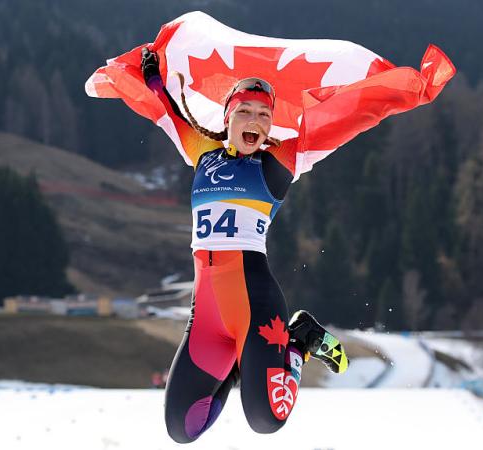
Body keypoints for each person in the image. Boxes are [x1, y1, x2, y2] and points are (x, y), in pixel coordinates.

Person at [140, 48, 349, 443]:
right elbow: (166, 114)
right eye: (245, 111)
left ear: (270, 129)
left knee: (267, 420)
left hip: (257, 306)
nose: (255, 121)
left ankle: (301, 339)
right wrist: (153, 78)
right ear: (227, 119)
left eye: (264, 115)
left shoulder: (276, 165)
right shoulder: (201, 155)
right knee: (183, 429)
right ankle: (240, 365)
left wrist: (389, 94)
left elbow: (338, 125)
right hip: (206, 316)